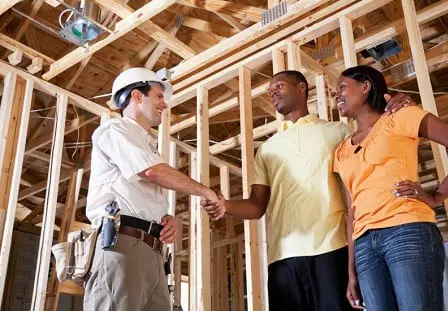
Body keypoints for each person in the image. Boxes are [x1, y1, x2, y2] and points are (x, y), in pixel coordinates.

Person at [203, 70, 413, 311]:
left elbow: (371, 162)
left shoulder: (337, 132)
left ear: (302, 88)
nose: (272, 92)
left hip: (332, 250)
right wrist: (225, 205)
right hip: (282, 259)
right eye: (270, 89)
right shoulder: (267, 149)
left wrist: (401, 104)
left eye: (279, 85)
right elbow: (257, 205)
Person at [332, 65, 448, 311]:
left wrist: (436, 196)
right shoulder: (342, 151)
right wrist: (351, 271)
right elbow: (352, 209)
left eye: (342, 88)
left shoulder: (400, 116)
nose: (336, 96)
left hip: (406, 230)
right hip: (365, 246)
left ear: (366, 87)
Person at [84, 67, 219, 311]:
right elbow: (152, 172)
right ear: (137, 96)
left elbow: (141, 193)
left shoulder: (146, 145)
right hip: (122, 244)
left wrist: (165, 220)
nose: (164, 104)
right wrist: (206, 192)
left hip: (153, 251)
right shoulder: (115, 131)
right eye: (158, 96)